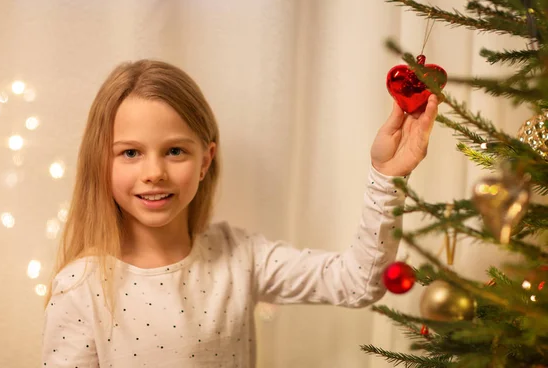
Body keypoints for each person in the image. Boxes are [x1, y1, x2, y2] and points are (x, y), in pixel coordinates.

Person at [41, 59, 439, 367]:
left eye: (175, 150)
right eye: (130, 152)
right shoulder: (80, 286)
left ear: (204, 160)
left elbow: (358, 282)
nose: (154, 173)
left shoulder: (239, 255)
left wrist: (387, 177)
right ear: (101, 162)